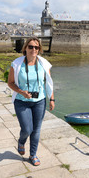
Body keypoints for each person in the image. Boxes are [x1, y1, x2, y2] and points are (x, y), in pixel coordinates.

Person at [8, 37, 55, 166]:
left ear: (39, 49)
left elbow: (49, 83)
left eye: (36, 47)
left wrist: (51, 98)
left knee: (36, 130)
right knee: (27, 129)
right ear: (25, 48)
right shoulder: (16, 64)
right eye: (31, 47)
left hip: (39, 101)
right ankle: (21, 141)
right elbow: (10, 83)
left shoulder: (44, 63)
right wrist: (22, 92)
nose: (34, 49)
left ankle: (33, 155)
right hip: (21, 101)